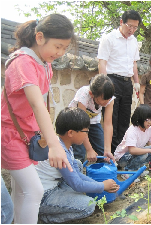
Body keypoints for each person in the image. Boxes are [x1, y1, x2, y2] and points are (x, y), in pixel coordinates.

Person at [1, 14, 75, 223]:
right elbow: (36, 104)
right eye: (57, 46)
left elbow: (41, 105)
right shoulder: (23, 62)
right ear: (40, 37)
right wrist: (54, 144)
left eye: (64, 48)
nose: (60, 53)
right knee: (34, 191)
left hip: (27, 134)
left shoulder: (43, 62)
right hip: (11, 135)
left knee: (22, 192)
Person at [36, 107, 119, 223]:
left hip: (56, 184)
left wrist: (99, 184)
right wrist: (102, 186)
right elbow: (77, 184)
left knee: (78, 164)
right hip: (44, 197)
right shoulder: (61, 152)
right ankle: (45, 217)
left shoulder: (63, 144)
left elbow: (77, 175)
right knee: (88, 206)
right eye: (85, 132)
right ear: (70, 133)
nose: (87, 136)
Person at [97, 10, 142, 154]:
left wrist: (136, 82)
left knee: (124, 120)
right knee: (111, 119)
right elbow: (102, 63)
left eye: (135, 27)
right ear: (121, 22)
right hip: (112, 81)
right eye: (129, 26)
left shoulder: (134, 41)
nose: (132, 30)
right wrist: (105, 85)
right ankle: (109, 153)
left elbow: (134, 63)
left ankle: (120, 154)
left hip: (127, 83)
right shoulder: (109, 38)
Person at [114, 104, 151, 180]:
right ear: (140, 119)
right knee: (145, 153)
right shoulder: (133, 130)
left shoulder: (149, 129)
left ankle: (138, 169)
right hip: (122, 157)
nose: (150, 122)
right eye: (147, 120)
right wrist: (150, 150)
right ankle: (129, 171)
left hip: (133, 154)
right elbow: (132, 150)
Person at [69, 74, 115, 163]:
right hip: (76, 124)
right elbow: (81, 124)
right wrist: (89, 149)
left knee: (103, 154)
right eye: (103, 100)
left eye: (108, 100)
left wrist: (108, 150)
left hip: (93, 122)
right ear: (92, 94)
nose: (106, 103)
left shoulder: (109, 99)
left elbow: (108, 124)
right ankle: (75, 173)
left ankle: (100, 175)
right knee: (79, 152)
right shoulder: (84, 94)